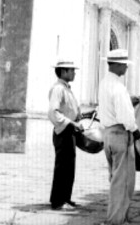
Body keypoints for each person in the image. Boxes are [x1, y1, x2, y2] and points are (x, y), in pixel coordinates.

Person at [98, 49, 140, 225]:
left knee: (115, 179)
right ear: (118, 65)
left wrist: (133, 99)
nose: (126, 68)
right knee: (124, 181)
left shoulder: (105, 83)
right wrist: (138, 134)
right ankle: (115, 220)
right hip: (121, 135)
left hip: (108, 134)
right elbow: (126, 118)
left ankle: (119, 217)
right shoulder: (119, 87)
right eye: (125, 65)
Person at [48, 59, 84, 210]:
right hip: (63, 132)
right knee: (62, 167)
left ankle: (65, 198)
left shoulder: (66, 89)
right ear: (63, 71)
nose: (74, 73)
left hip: (69, 131)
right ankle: (57, 201)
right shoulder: (58, 89)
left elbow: (68, 110)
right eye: (71, 70)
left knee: (69, 167)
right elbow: (53, 112)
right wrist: (72, 123)